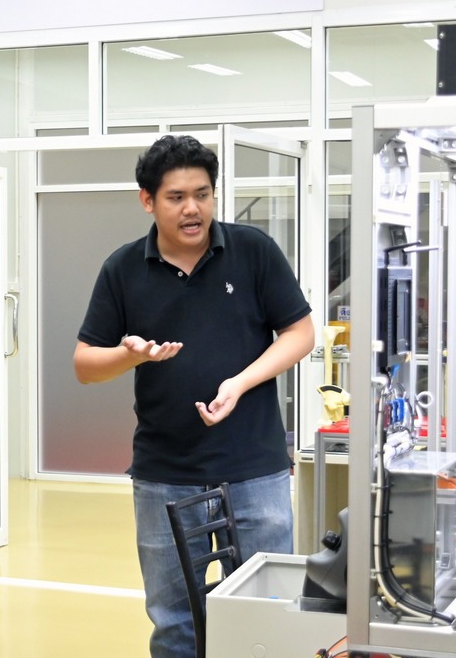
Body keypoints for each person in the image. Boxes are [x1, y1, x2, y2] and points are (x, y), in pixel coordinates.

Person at [72, 135, 314, 657]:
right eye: (176, 196)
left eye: (203, 194)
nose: (192, 209)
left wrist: (240, 382)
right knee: (176, 622)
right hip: (165, 475)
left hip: (256, 470)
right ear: (147, 200)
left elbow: (300, 333)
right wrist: (130, 354)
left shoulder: (252, 250)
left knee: (267, 615)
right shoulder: (123, 268)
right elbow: (85, 366)